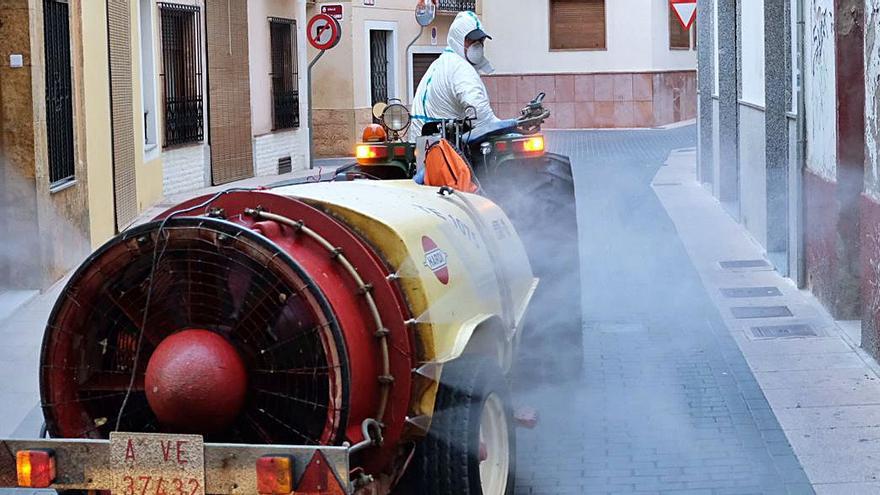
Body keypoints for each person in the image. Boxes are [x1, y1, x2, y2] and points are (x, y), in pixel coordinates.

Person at [409, 11, 506, 141]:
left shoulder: (441, 63)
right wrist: (506, 130)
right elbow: (479, 113)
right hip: (443, 145)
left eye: (481, 41)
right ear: (458, 40)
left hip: (421, 140)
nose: (478, 45)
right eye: (471, 40)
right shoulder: (460, 68)